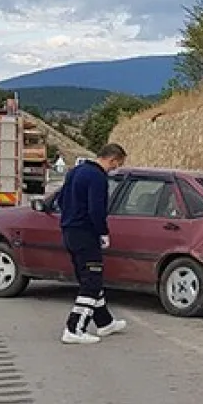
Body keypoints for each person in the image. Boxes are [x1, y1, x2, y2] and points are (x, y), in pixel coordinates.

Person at [58, 143, 129, 344]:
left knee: (87, 277)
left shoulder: (76, 172)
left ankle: (104, 322)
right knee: (92, 281)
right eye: (116, 165)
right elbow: (96, 209)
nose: (114, 169)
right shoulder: (97, 177)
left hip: (69, 231)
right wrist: (102, 232)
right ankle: (74, 328)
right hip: (86, 234)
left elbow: (61, 200)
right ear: (112, 159)